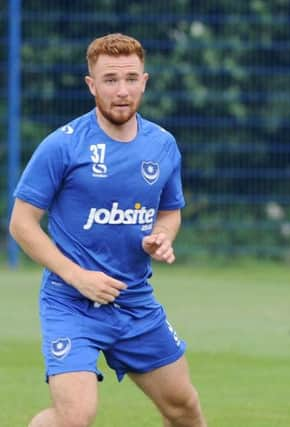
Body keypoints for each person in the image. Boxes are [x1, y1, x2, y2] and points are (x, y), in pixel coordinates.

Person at [9, 33, 207, 427]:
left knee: (183, 409)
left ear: (145, 81)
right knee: (75, 417)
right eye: (110, 80)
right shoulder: (62, 146)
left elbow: (170, 212)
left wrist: (163, 236)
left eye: (131, 79)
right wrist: (77, 277)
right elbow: (21, 223)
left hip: (134, 302)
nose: (121, 91)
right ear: (91, 84)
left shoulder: (163, 145)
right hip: (71, 303)